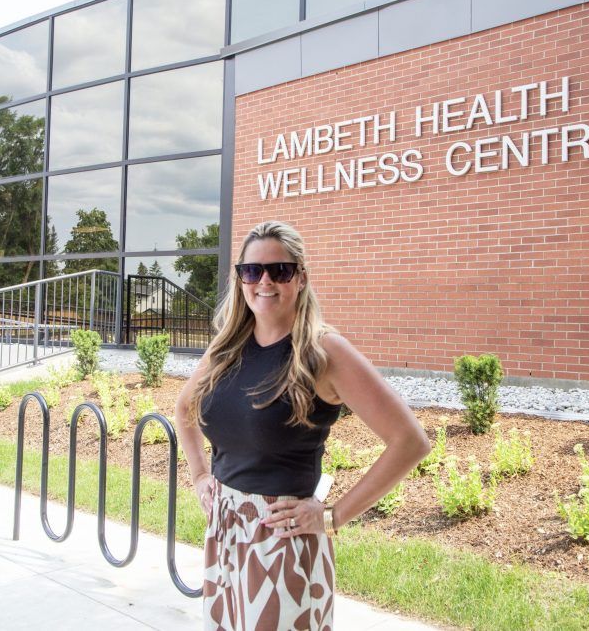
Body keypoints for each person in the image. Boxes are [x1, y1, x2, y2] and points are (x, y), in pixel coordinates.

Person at [174, 220, 432, 630]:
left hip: (283, 543)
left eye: (280, 270)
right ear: (240, 278)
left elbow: (410, 441)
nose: (264, 281)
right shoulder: (227, 346)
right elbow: (184, 408)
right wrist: (200, 475)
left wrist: (333, 516)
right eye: (252, 270)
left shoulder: (322, 351)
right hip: (225, 534)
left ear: (301, 278)